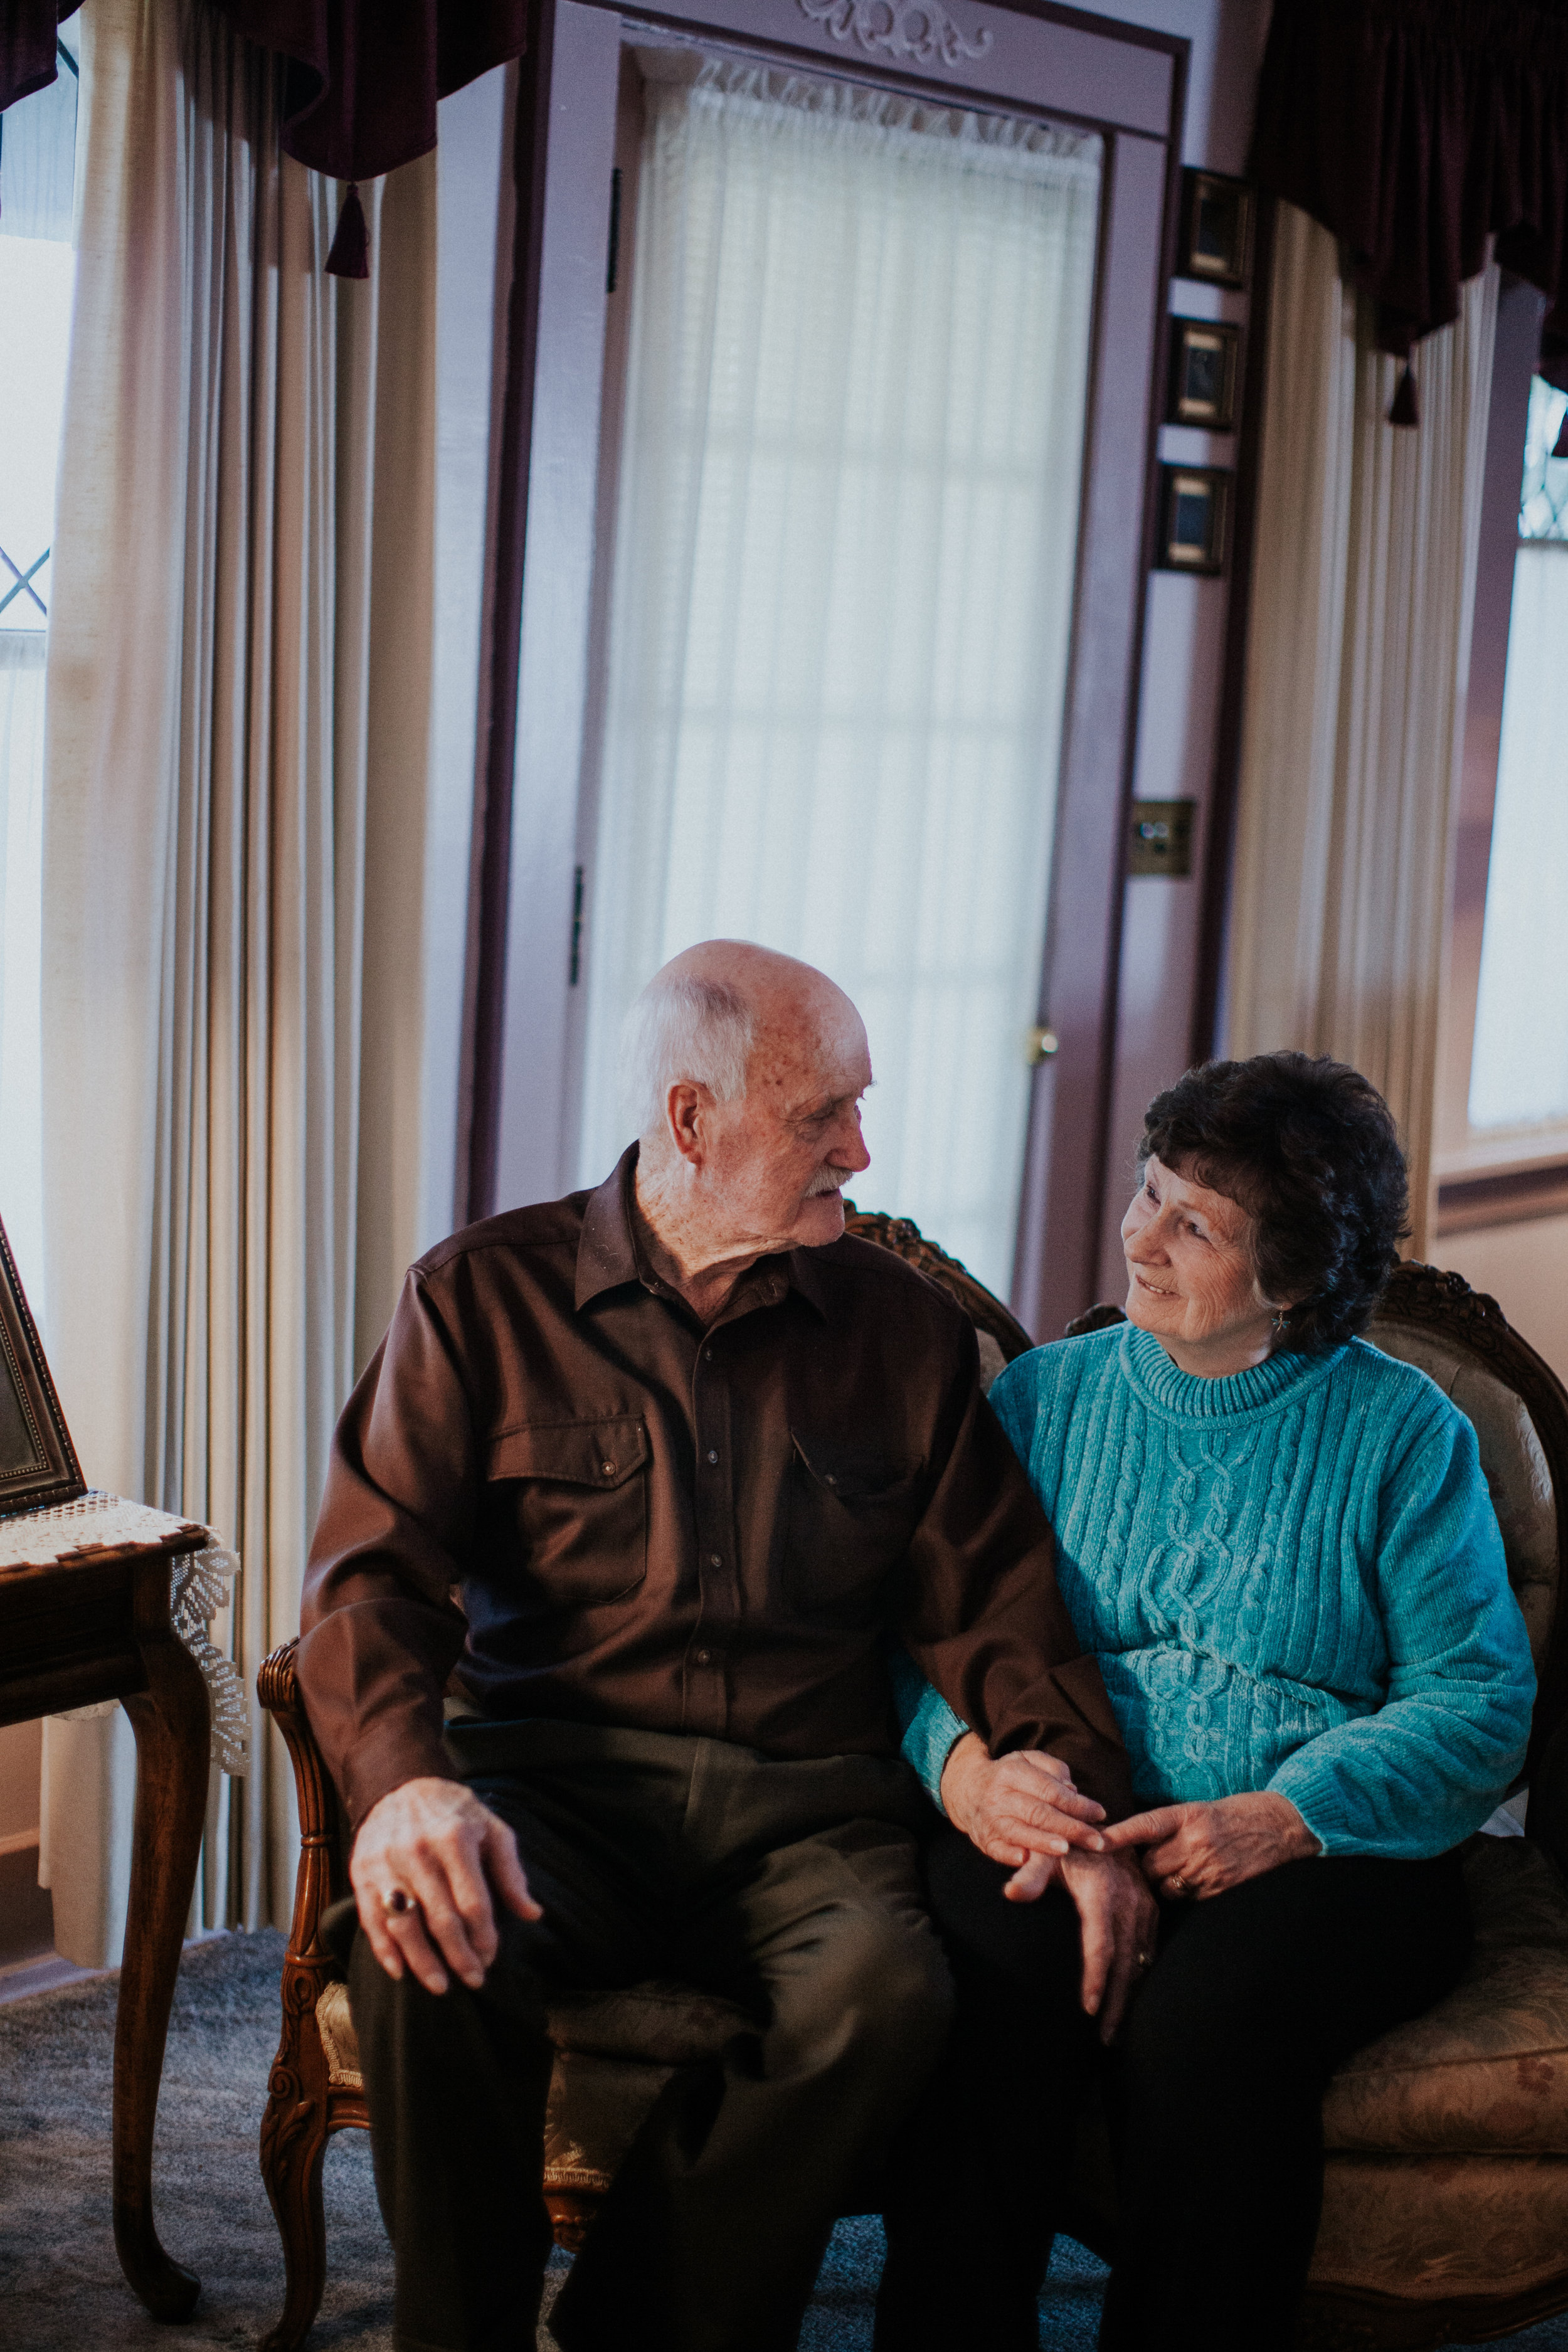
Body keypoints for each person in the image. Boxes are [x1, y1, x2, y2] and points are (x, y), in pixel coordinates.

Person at [295, 938, 1149, 2352]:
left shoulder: (905, 1336)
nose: (859, 1152)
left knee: (884, 1994)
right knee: (416, 1939)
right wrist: (406, 1787)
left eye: (856, 1109)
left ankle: (636, 2324)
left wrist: (1065, 1793)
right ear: (691, 1121)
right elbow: (369, 1579)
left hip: (806, 1810)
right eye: (823, 1116)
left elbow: (990, 1609)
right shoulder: (479, 1299)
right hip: (554, 1791)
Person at [876, 1051, 1536, 2352]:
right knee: (992, 1983)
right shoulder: (1039, 1401)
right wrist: (967, 1771)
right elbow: (918, 1635)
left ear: (1291, 1276)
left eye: (1195, 1223)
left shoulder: (1402, 1433)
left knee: (1207, 2030)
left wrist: (1284, 1816)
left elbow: (1475, 1700)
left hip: (1322, 1848)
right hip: (1058, 1811)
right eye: (1147, 1192)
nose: (1139, 1237)